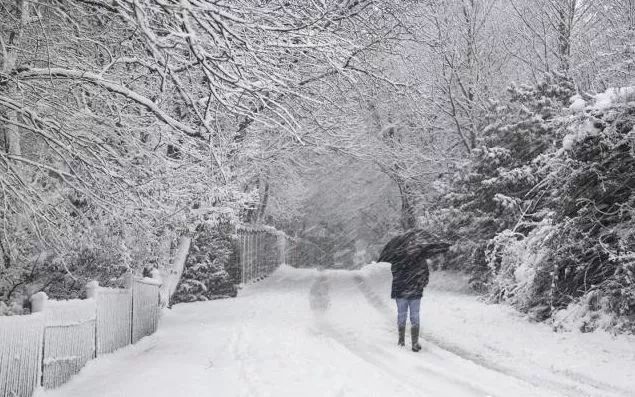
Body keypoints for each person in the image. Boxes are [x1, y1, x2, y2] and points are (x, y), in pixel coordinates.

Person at [378, 231, 449, 352]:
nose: (412, 249)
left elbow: (395, 275)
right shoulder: (419, 259)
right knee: (414, 317)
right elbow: (425, 276)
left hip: (402, 292)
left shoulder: (396, 258)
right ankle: (413, 342)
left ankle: (402, 340)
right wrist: (420, 283)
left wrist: (410, 280)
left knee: (403, 315)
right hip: (413, 292)